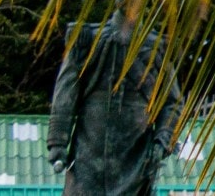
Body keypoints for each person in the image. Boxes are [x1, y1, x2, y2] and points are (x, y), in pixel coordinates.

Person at [48, 15, 183, 196]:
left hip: (135, 153)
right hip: (89, 150)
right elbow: (66, 92)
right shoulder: (89, 40)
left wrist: (163, 140)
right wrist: (58, 141)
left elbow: (172, 103)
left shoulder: (157, 47)